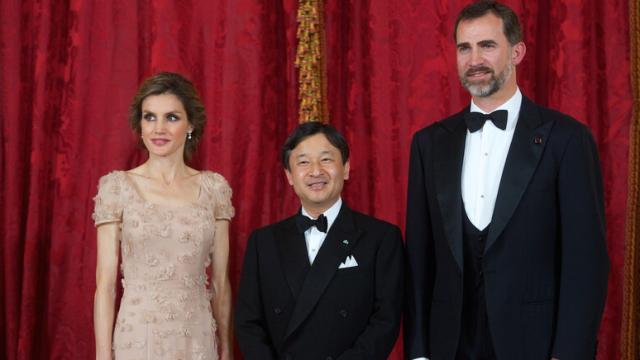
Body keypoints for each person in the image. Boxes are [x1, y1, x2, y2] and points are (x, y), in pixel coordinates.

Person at [404, 1, 609, 359]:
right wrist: (419, 352)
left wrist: (569, 352)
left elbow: (585, 260)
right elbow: (420, 258)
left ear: (517, 52)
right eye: (464, 48)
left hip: (535, 344)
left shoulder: (567, 139)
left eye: (487, 45)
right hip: (448, 345)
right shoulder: (428, 143)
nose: (474, 60)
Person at [93, 72, 235, 360]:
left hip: (196, 336)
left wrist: (227, 349)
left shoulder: (214, 189)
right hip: (137, 337)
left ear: (190, 124)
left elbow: (221, 283)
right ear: (140, 125)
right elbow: (105, 285)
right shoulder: (116, 187)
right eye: (150, 117)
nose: (159, 128)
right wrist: (102, 355)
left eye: (171, 117)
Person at [235, 122, 404, 359]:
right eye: (303, 162)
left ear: (345, 168)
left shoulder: (382, 238)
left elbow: (386, 320)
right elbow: (248, 322)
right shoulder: (263, 243)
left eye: (326, 159)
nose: (315, 171)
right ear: (289, 176)